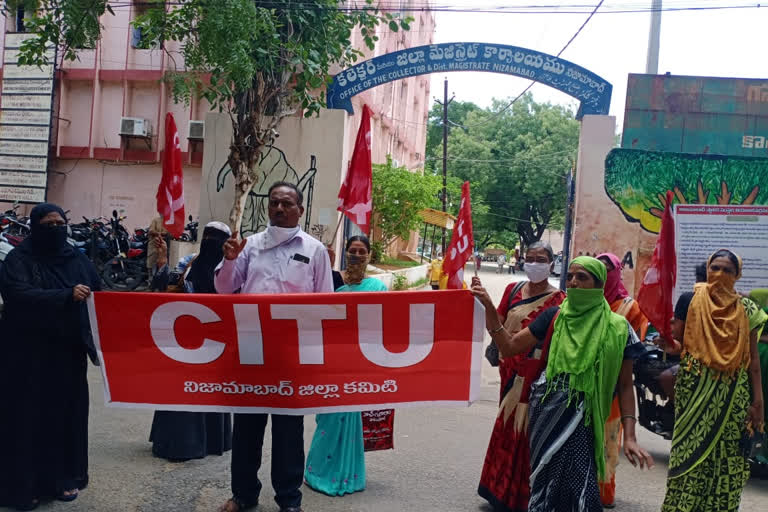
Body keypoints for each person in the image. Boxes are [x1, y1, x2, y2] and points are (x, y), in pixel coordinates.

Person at [473, 256, 653, 512]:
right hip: (546, 412)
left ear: (599, 284)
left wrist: (631, 437)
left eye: (582, 277)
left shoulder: (619, 327)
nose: (573, 282)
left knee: (581, 485)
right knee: (544, 481)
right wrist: (490, 309)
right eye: (570, 276)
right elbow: (509, 346)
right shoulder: (554, 316)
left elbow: (625, 386)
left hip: (588, 417)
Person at [215, 181, 333, 512]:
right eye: (274, 203)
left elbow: (326, 304)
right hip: (252, 351)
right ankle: (243, 495)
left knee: (288, 434)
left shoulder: (315, 251)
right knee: (246, 431)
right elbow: (224, 290)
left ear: (300, 210)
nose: (279, 208)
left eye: (286, 203)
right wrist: (227, 262)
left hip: (291, 357)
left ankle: (289, 500)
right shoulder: (248, 246)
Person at [0, 203, 101, 511]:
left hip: (67, 353)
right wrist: (65, 295)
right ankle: (24, 486)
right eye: (48, 223)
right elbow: (17, 295)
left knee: (66, 416)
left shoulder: (77, 258)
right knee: (27, 419)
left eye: (60, 223)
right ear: (35, 226)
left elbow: (99, 292)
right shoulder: (20, 258)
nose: (56, 228)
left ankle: (63, 478)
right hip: (26, 354)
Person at [662, 250, 764, 512]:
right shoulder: (691, 299)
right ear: (707, 269)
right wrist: (668, 344)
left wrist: (758, 400)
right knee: (687, 450)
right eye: (714, 268)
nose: (719, 274)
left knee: (727, 456)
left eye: (727, 270)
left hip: (732, 393)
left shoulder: (748, 309)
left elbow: (753, 361)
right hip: (694, 388)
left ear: (737, 275)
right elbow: (680, 344)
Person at [473, 241, 566, 512]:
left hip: (532, 375)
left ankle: (520, 495)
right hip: (508, 368)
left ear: (551, 263)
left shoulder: (560, 301)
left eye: (541, 259)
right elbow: (496, 322)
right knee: (506, 425)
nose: (534, 263)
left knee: (525, 431)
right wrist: (486, 303)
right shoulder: (512, 289)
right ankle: (496, 488)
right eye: (530, 258)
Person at [304, 235, 386, 496]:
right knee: (328, 416)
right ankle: (317, 471)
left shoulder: (378, 288)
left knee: (349, 416)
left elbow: (385, 324)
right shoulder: (334, 283)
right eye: (352, 250)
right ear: (345, 252)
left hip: (360, 361)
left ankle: (347, 475)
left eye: (362, 251)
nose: (357, 255)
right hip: (332, 360)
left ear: (369, 255)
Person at [147, 221, 233, 462]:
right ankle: (174, 441)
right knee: (180, 389)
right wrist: (162, 260)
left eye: (216, 237)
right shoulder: (191, 262)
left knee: (206, 390)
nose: (209, 242)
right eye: (207, 236)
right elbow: (165, 286)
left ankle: (211, 441)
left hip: (215, 340)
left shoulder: (229, 266)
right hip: (183, 337)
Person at [596, 252, 648, 508]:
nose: (604, 274)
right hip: (580, 386)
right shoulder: (578, 302)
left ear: (617, 273)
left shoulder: (629, 308)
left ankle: (603, 492)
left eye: (609, 269)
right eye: (599, 268)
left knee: (607, 440)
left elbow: (634, 346)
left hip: (614, 385)